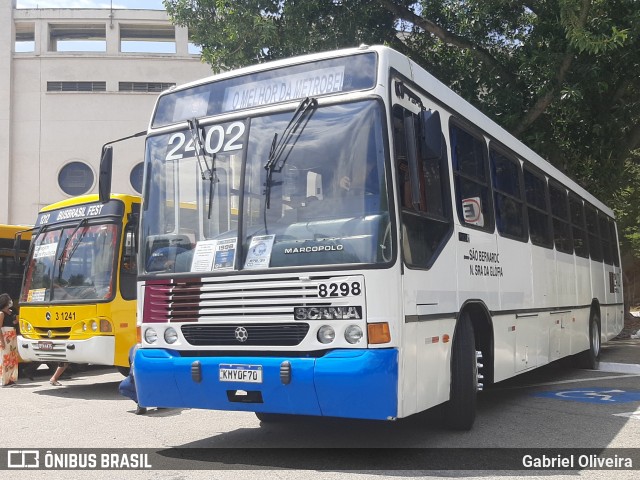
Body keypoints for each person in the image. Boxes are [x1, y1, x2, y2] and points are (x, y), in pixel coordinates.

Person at [0, 293, 19, 387]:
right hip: (5, 337)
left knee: (13, 358)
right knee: (5, 359)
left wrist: (15, 322)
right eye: (9, 299)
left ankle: (11, 379)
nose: (11, 301)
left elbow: (14, 323)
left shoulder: (11, 312)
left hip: (12, 336)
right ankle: (4, 380)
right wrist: (2, 341)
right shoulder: (1, 313)